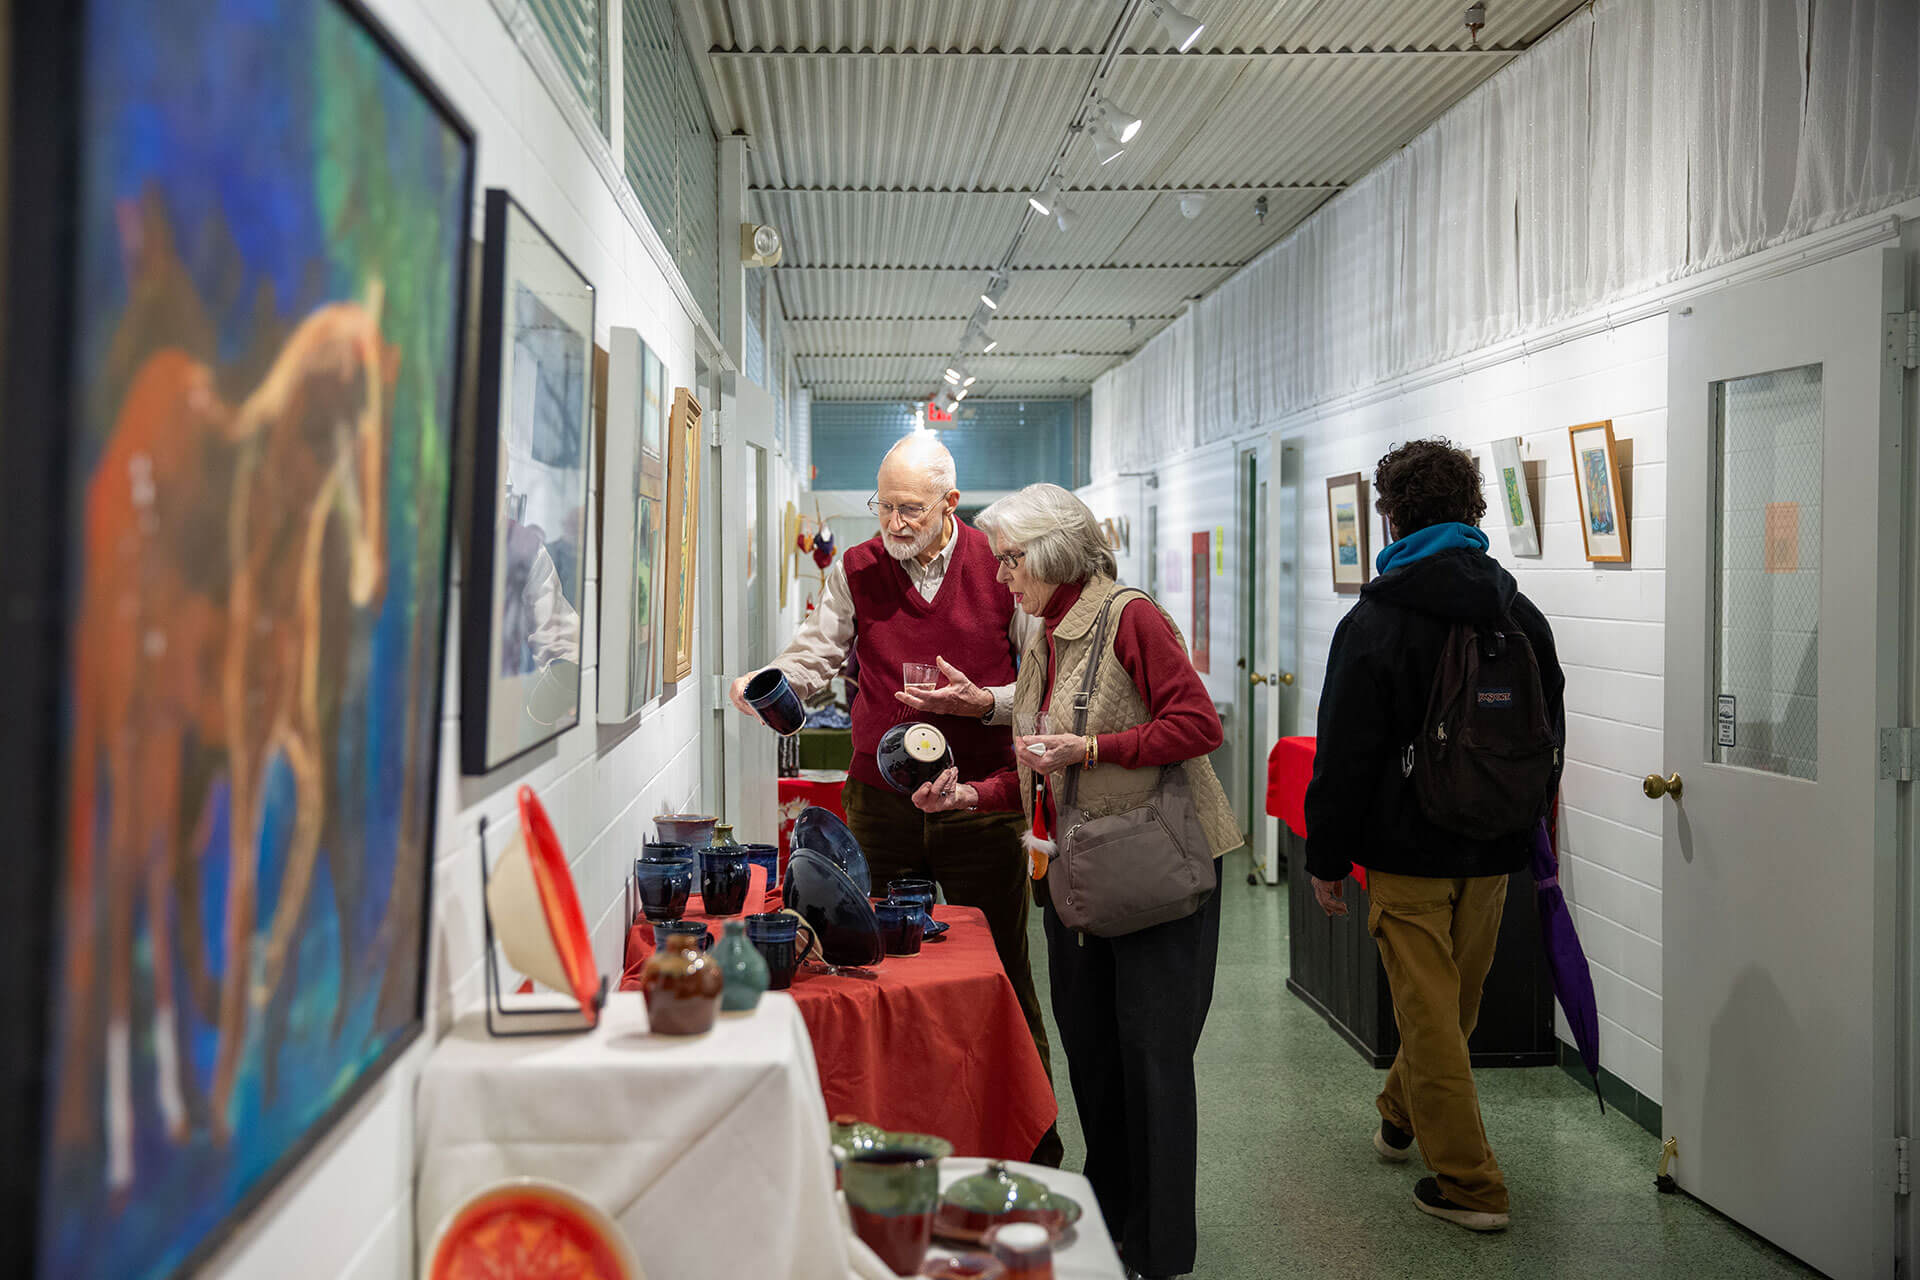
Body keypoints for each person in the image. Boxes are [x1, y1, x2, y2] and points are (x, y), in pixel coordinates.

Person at [911, 483, 1239, 1280]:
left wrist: (1094, 752)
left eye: (1012, 561)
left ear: (1056, 553)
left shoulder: (1130, 616)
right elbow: (1037, 756)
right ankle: (1111, 1223)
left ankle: (1159, 1252)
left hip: (1156, 882)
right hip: (1077, 882)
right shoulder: (1047, 629)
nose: (1001, 578)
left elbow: (1198, 724)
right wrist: (970, 794)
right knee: (1095, 1061)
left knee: (1153, 1069)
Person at [729, 435, 1061, 1166]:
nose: (894, 521)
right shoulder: (856, 569)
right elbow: (818, 652)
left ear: (951, 502)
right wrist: (769, 679)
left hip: (980, 800)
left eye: (911, 508)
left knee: (1003, 970)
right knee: (861, 965)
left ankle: (1029, 1141)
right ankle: (868, 1129)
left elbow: (1040, 691)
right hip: (878, 802)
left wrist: (983, 706)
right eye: (884, 505)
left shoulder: (1000, 567)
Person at [1303, 438, 1565, 1233]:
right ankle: (1399, 1110)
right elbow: (1549, 733)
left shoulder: (1375, 622)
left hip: (1407, 858)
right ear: (1475, 509)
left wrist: (1324, 857)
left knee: (1430, 1018)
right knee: (1452, 1011)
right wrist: (1532, 829)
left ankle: (1470, 1185)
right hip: (1492, 853)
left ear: (1389, 514)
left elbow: (1343, 754)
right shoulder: (1519, 612)